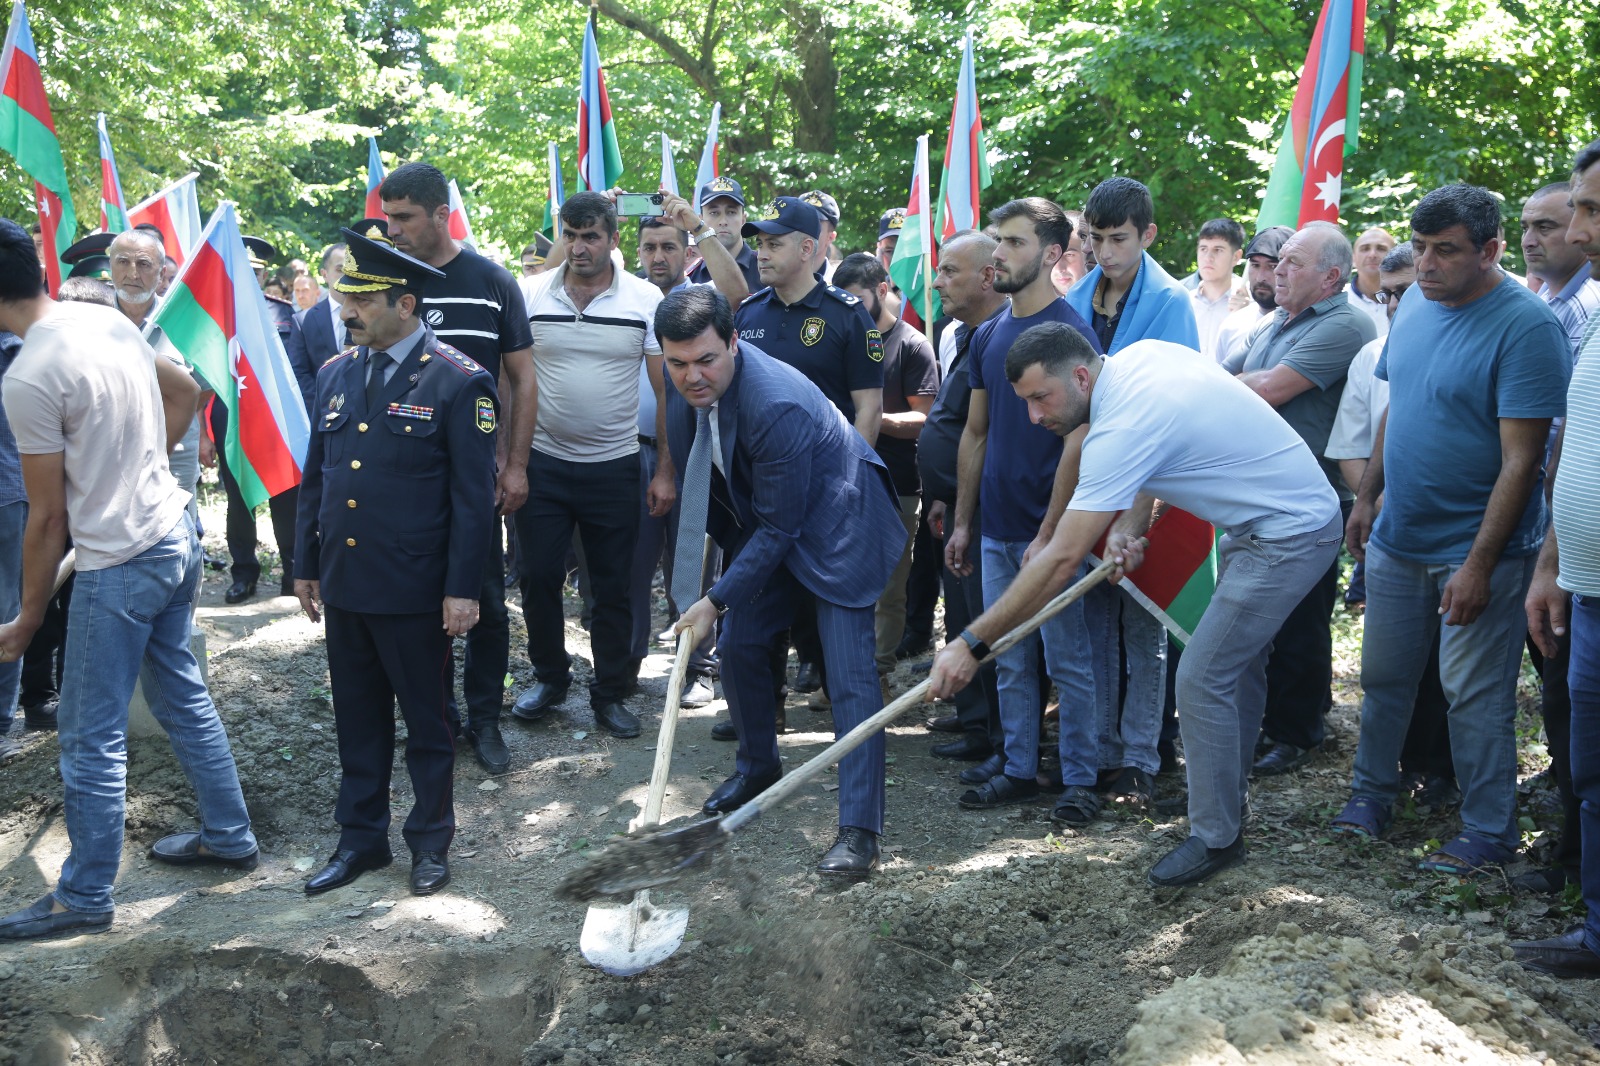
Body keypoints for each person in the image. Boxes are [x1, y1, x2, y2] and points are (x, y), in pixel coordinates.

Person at [929, 326, 1345, 887]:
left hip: (1291, 534)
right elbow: (1158, 458)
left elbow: (1059, 558)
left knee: (1200, 678)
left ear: (1080, 376)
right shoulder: (1138, 362)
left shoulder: (1119, 426)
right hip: (1264, 525)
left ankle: (1216, 837)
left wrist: (971, 644)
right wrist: (1127, 525)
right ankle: (1227, 804)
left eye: (1039, 398)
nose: (1033, 416)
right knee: (1235, 670)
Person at [0, 218, 259, 939]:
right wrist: (139, 466)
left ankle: (83, 896)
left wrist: (23, 621)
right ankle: (229, 834)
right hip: (173, 531)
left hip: (120, 562)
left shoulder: (26, 376)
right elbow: (185, 393)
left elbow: (48, 520)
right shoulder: (104, 321)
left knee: (90, 735)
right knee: (182, 698)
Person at [1333, 184, 1572, 875]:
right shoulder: (1416, 310)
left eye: (1446, 251)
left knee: (1475, 694)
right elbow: (1397, 409)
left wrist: (1477, 564)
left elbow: (1524, 461)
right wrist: (1367, 496)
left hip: (1481, 552)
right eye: (1420, 249)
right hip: (1398, 539)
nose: (1426, 265)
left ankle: (1489, 831)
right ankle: (1372, 795)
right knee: (1384, 679)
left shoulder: (1525, 327)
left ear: (1491, 250)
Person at [661, 287, 906, 877]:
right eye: (678, 363)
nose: (692, 376)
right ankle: (756, 767)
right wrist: (716, 599)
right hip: (771, 521)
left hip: (838, 526)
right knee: (743, 644)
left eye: (706, 360)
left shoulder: (775, 404)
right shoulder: (683, 393)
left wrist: (713, 600)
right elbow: (721, 498)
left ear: (734, 343)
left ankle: (860, 829)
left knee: (849, 680)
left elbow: (782, 528)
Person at [292, 225, 497, 898]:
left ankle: (431, 842)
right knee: (357, 718)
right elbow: (317, 477)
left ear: (405, 304)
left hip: (415, 589)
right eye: (345, 298)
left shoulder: (458, 381)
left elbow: (474, 501)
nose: (346, 312)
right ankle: (361, 840)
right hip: (348, 586)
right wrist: (305, 563)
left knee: (430, 725)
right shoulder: (335, 373)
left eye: (363, 301)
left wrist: (462, 590)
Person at [945, 197, 1102, 821]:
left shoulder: (1074, 335)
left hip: (1061, 533)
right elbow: (975, 432)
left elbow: (1080, 438)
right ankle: (1017, 767)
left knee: (1069, 660)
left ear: (1052, 254)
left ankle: (1081, 778)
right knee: (1007, 656)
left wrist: (1049, 531)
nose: (999, 256)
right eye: (998, 242)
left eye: (1013, 243)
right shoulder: (987, 333)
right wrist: (963, 521)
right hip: (997, 527)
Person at [381, 162, 534, 775]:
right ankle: (434, 717)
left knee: (487, 603)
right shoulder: (386, 281)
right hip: (403, 479)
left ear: (441, 214)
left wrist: (516, 464)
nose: (392, 230)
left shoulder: (491, 282)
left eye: (404, 218)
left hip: (475, 478)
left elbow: (522, 378)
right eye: (388, 218)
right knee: (418, 605)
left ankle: (486, 719)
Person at [511, 192, 672, 740]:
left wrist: (666, 469)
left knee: (613, 587)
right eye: (571, 235)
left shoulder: (645, 299)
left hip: (615, 464)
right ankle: (550, 678)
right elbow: (511, 382)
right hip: (543, 464)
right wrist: (510, 463)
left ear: (613, 240)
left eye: (591, 237)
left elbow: (665, 390)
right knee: (536, 579)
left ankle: (609, 692)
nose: (579, 248)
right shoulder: (529, 294)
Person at [1064, 178, 1198, 811]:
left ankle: (1142, 756)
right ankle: (1098, 749)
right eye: (1094, 239)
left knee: (1142, 625)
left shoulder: (1171, 302)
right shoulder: (1080, 294)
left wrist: (1139, 516)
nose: (1105, 253)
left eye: (1119, 239)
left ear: (1147, 235)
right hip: (1089, 478)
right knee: (1093, 623)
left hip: (1150, 482)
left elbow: (1172, 411)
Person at [1224, 223, 1375, 777]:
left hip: (1310, 497)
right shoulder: (1275, 322)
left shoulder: (1345, 323)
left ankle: (1297, 730)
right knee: (1262, 615)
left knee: (1299, 618)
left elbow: (1267, 388)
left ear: (1331, 276)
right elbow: (1241, 376)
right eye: (1275, 261)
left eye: (1291, 262)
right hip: (1259, 492)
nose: (1276, 271)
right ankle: (1272, 720)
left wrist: (1214, 388)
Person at [734, 196, 884, 705]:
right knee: (758, 609)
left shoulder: (846, 316)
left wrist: (850, 485)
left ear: (807, 248)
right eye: (759, 244)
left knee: (827, 608)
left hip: (828, 494)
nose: (761, 253)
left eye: (774, 244)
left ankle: (839, 699)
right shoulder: (749, 313)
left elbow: (869, 407)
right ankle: (760, 715)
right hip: (762, 492)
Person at [1514, 137, 1600, 977]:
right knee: (1581, 739)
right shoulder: (1591, 316)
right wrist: (1551, 563)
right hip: (1579, 573)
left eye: (1583, 212)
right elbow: (1574, 448)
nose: (1571, 229)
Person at [833, 253, 940, 688]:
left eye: (857, 300)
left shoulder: (912, 344)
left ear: (882, 289)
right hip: (841, 480)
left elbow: (927, 418)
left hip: (897, 484)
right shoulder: (843, 335)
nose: (850, 310)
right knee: (842, 579)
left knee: (891, 586)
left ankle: (876, 672)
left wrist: (872, 418)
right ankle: (838, 671)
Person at [921, 231, 1007, 764]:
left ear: (988, 276)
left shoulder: (1003, 338)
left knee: (987, 622)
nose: (937, 280)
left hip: (987, 511)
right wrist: (941, 496)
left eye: (951, 270)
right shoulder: (970, 335)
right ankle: (976, 719)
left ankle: (998, 738)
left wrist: (965, 508)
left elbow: (991, 433)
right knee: (962, 616)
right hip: (956, 506)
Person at [210, 235, 314, 604]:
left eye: (254, 271)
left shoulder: (283, 314)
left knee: (287, 497)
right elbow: (206, 377)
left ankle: (292, 571)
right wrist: (207, 434)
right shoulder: (215, 315)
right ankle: (244, 573)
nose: (247, 277)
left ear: (262, 273)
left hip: (277, 420)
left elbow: (297, 371)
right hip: (230, 418)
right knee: (238, 501)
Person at [1522, 181, 1600, 358]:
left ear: (1578, 230)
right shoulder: (1546, 293)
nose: (1527, 241)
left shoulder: (1589, 307)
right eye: (1524, 228)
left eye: (1544, 228)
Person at [1214, 226, 1294, 366]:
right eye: (1255, 265)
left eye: (1272, 266)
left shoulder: (1309, 326)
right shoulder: (1232, 325)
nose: (1260, 277)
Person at [689, 176, 762, 292]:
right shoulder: (691, 277)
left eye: (731, 212)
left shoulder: (766, 269)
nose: (723, 221)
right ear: (701, 219)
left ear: (743, 219)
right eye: (714, 213)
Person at [1189, 218, 1246, 361]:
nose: (1208, 257)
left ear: (1236, 256)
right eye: (1203, 249)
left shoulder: (1249, 304)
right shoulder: (1183, 302)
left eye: (1218, 250)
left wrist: (1246, 317)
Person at [297, 242, 349, 365]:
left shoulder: (369, 313)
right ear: (325, 274)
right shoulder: (305, 319)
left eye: (350, 270)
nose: (346, 275)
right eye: (340, 269)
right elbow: (300, 369)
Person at [1349, 227, 1396, 336]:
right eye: (1365, 249)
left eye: (1381, 248)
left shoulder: (1408, 299)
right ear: (1353, 259)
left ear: (1395, 256)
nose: (1372, 255)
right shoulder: (1338, 302)